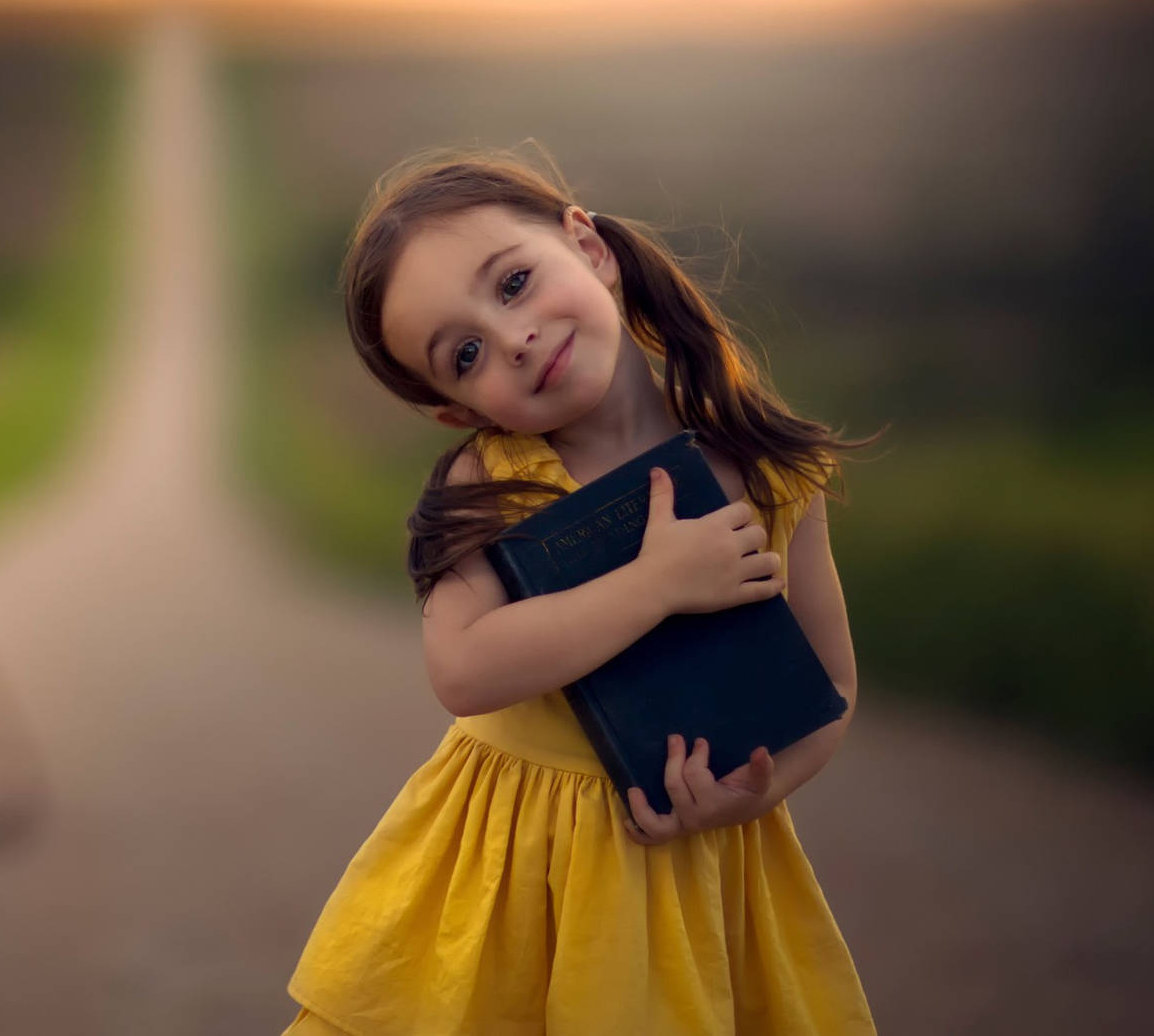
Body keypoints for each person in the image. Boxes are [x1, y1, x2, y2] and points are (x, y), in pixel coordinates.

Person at [280, 148, 882, 1035]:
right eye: (467, 351)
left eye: (514, 282)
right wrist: (656, 583)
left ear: (588, 246)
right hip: (513, 870)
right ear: (457, 408)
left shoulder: (765, 469)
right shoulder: (495, 483)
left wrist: (758, 789)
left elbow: (828, 690)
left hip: (692, 859)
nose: (514, 336)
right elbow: (462, 667)